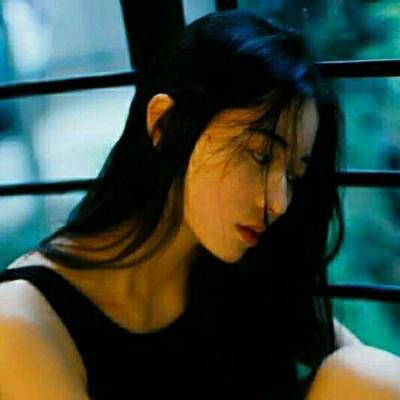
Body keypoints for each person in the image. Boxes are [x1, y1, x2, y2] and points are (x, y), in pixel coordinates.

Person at [0, 9, 399, 400]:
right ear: (165, 124)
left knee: (360, 373)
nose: (278, 203)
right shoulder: (24, 318)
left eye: (293, 175)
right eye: (260, 156)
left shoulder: (245, 272)